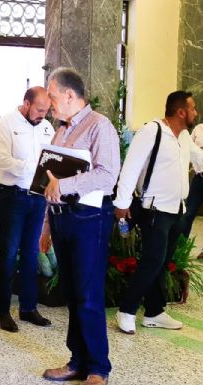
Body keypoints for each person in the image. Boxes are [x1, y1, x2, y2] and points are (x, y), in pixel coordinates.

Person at [41, 67, 120, 385]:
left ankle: (98, 367)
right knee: (72, 293)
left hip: (89, 220)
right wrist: (46, 225)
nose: (49, 102)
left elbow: (107, 175)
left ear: (70, 95)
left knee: (88, 293)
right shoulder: (60, 130)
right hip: (62, 220)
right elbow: (49, 184)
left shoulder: (100, 126)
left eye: (52, 96)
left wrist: (66, 183)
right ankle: (77, 361)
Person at [113, 91, 203, 334]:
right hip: (154, 209)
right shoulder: (152, 131)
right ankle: (127, 310)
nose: (196, 113)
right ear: (181, 111)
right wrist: (121, 204)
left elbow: (199, 158)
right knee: (151, 261)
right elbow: (131, 167)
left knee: (163, 262)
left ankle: (154, 312)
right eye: (193, 108)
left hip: (176, 209)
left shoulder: (183, 136)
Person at [0, 86, 54, 332]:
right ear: (26, 103)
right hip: (12, 197)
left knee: (31, 254)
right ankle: (1, 311)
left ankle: (28, 308)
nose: (42, 115)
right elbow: (3, 161)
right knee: (8, 254)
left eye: (46, 110)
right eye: (39, 109)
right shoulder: (6, 124)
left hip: (37, 198)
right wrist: (35, 167)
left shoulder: (47, 127)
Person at [179, 121, 203, 258]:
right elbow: (190, 149)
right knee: (188, 214)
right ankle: (181, 249)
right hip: (199, 178)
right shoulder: (198, 128)